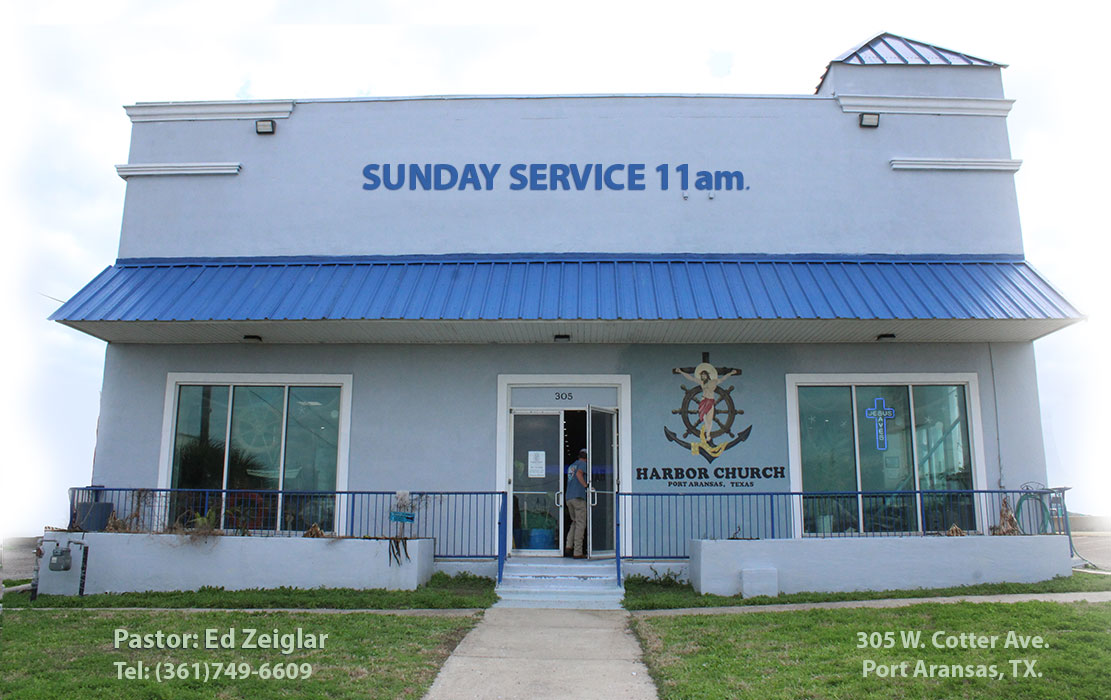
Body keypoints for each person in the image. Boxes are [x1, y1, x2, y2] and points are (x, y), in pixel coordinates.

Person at [564, 448, 589, 558]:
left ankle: (568, 546)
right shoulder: (582, 464)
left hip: (569, 497)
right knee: (581, 523)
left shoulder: (571, 466)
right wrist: (586, 486)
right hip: (578, 497)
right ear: (586, 457)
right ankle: (578, 552)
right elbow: (579, 474)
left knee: (574, 521)